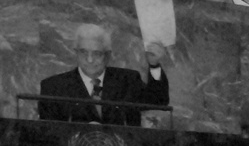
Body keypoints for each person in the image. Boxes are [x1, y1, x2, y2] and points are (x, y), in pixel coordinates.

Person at [38, 23, 168, 126]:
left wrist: (154, 65)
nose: (89, 59)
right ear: (76, 53)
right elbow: (48, 134)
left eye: (96, 53)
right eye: (83, 52)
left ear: (107, 56)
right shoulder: (53, 88)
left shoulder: (128, 80)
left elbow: (158, 101)